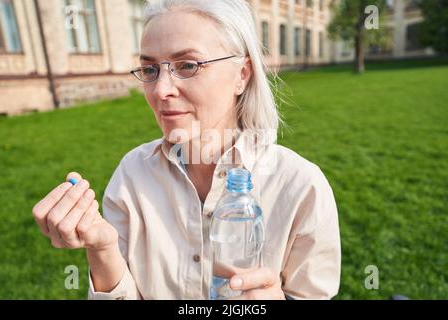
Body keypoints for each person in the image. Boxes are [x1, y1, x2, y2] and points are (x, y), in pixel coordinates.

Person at [32, 0, 341, 300]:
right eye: (150, 69)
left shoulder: (301, 188)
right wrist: (101, 249)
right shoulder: (133, 175)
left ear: (242, 75)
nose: (161, 90)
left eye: (188, 65)